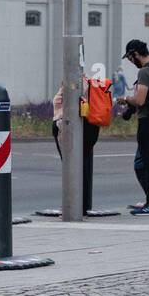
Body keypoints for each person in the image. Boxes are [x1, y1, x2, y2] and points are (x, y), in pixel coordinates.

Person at [115, 39, 149, 216]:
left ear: (135, 54)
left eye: (130, 58)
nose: (130, 61)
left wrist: (125, 99)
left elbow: (140, 100)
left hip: (148, 122)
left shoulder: (145, 71)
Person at [52, 77, 102, 215]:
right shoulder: (84, 82)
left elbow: (72, 105)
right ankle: (80, 204)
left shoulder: (75, 82)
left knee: (72, 167)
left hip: (67, 127)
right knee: (80, 166)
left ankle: (75, 205)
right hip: (82, 127)